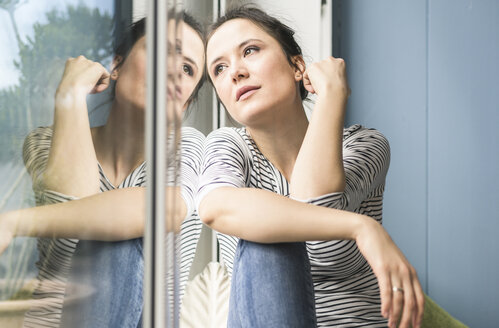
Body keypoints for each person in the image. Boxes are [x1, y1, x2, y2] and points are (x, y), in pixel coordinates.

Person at [197, 6, 424, 328]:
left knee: (270, 228)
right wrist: (360, 227)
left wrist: (332, 94)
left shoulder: (363, 144)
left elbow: (315, 204)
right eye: (219, 69)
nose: (235, 72)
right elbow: (215, 208)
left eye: (250, 50)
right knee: (263, 240)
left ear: (298, 66)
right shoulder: (228, 145)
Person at [0, 12, 206, 328]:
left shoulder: (188, 147)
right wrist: (69, 94)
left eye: (188, 70)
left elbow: (163, 209)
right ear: (117, 66)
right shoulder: (44, 142)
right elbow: (71, 223)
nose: (173, 72)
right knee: (106, 230)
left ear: (186, 104)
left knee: (121, 238)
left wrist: (13, 223)